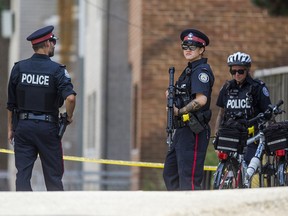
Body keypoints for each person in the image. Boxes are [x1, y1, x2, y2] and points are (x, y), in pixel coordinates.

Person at [7, 25, 76, 191]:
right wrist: (68, 117)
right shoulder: (57, 71)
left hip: (23, 128)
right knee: (53, 177)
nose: (54, 45)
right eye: (52, 42)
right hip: (48, 129)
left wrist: (11, 129)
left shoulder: (19, 68)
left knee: (22, 175)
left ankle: (24, 211)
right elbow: (71, 98)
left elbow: (11, 103)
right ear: (46, 44)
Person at [163, 29, 214, 190]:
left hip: (194, 130)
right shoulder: (188, 71)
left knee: (189, 178)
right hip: (182, 129)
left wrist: (180, 111)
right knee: (170, 173)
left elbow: (201, 100)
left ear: (201, 49)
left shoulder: (201, 71)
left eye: (193, 46)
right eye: (185, 46)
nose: (188, 49)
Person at [214, 51, 271, 163]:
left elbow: (268, 113)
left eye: (240, 71)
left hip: (251, 137)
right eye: (233, 71)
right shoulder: (226, 88)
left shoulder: (257, 87)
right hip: (231, 135)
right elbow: (221, 114)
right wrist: (217, 135)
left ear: (247, 70)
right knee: (228, 167)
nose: (237, 74)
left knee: (247, 166)